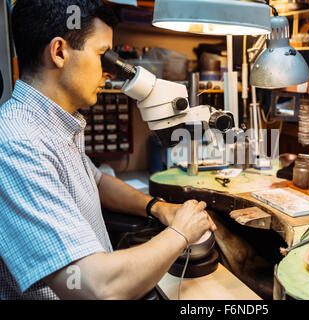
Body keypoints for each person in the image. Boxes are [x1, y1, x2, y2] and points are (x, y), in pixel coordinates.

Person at [0, 0, 216, 300]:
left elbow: (96, 182)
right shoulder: (17, 143)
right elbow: (96, 287)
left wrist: (159, 207)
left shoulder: (54, 125)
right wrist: (180, 233)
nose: (110, 72)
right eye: (103, 55)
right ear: (59, 52)